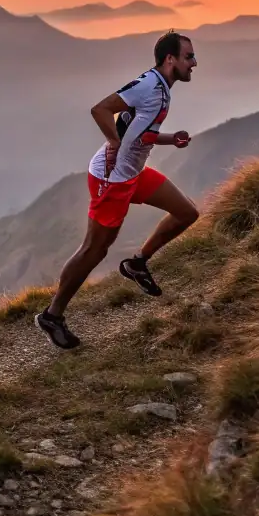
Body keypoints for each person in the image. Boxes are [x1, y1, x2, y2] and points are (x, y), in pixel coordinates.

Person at [34, 32, 200, 350]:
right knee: (93, 251)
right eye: (189, 56)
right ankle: (52, 315)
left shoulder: (162, 89)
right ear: (170, 60)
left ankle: (137, 264)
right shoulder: (149, 85)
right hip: (111, 179)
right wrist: (113, 143)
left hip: (133, 174)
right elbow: (100, 109)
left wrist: (171, 139)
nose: (194, 62)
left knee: (186, 213)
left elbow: (142, 133)